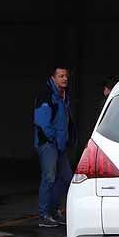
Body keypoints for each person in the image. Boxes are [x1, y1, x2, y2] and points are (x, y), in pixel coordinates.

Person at [34, 66, 76, 228]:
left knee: (66, 177)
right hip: (48, 143)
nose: (65, 78)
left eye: (66, 75)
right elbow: (43, 123)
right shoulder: (46, 94)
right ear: (53, 77)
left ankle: (53, 211)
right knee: (49, 177)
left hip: (60, 143)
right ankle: (43, 215)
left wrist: (66, 140)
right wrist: (54, 140)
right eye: (61, 76)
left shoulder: (64, 95)